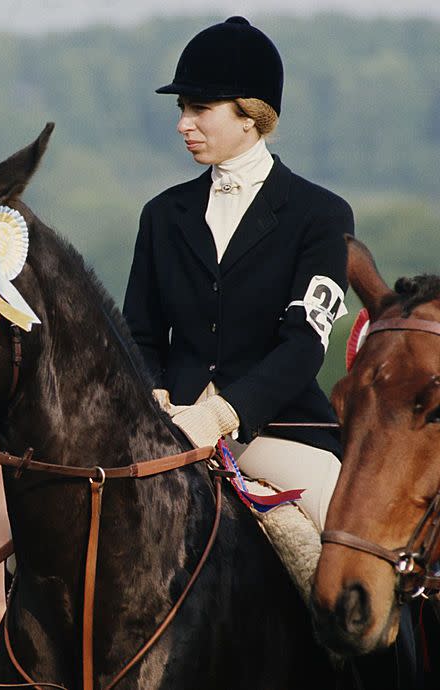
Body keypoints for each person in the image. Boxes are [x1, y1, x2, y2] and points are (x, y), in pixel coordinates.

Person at [123, 17, 351, 533]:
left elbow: (303, 345)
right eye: (182, 108)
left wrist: (224, 415)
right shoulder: (162, 214)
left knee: (347, 548)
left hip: (277, 432)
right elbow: (139, 335)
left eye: (199, 108)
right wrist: (156, 396)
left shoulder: (322, 216)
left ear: (250, 116)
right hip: (168, 428)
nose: (183, 122)